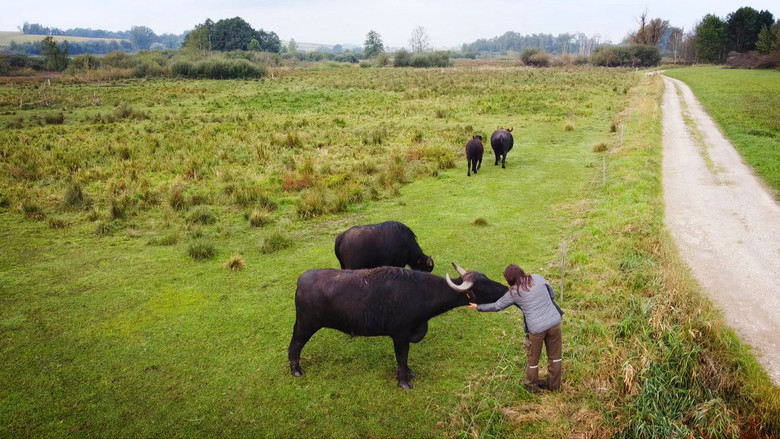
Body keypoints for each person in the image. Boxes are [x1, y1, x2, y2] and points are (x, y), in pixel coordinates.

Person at [467, 264, 564, 393]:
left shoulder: (514, 292)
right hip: (554, 323)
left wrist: (478, 307)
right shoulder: (538, 278)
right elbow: (552, 293)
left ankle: (532, 387)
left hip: (536, 330)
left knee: (533, 361)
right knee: (555, 357)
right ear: (521, 271)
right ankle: (554, 386)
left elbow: (497, 306)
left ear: (509, 279)